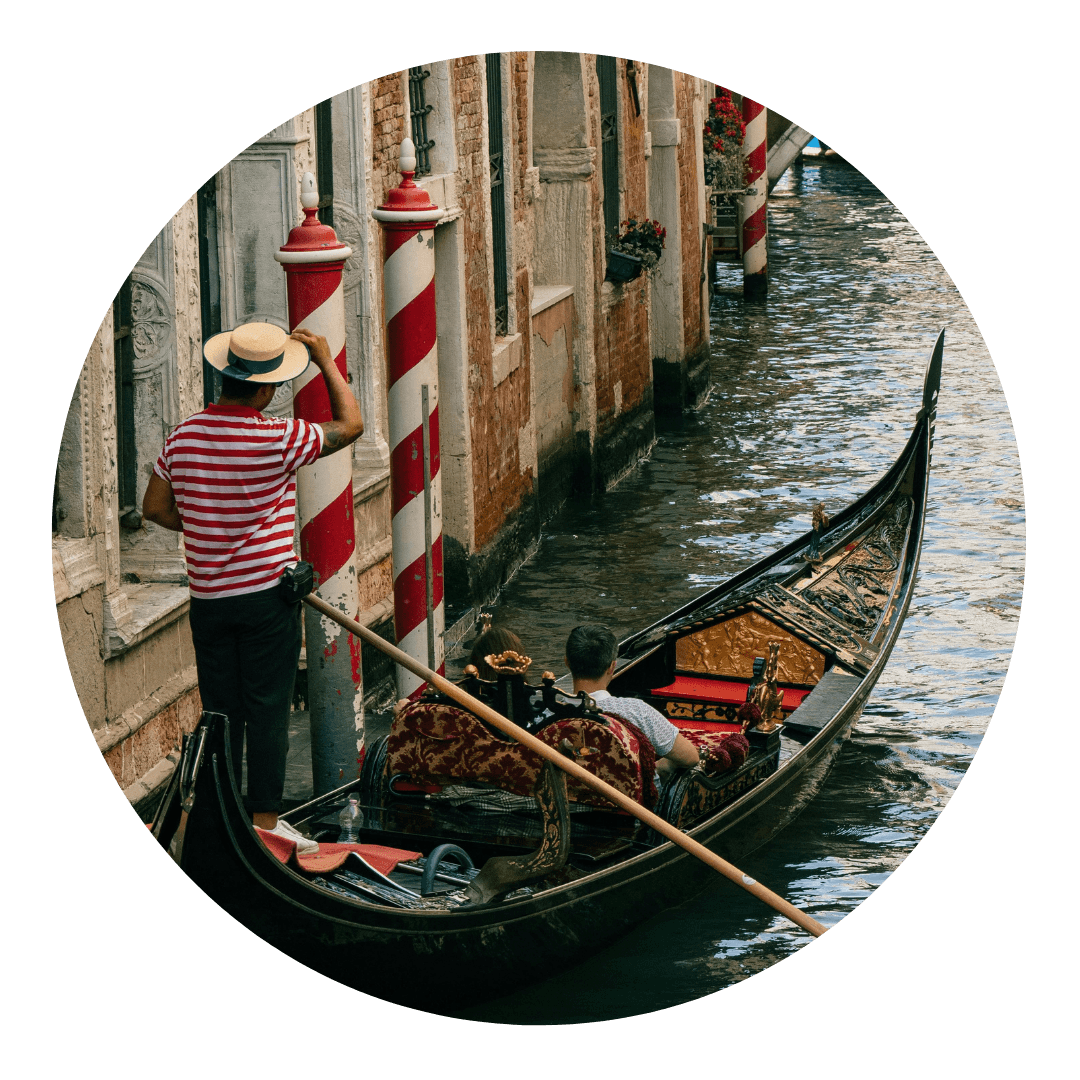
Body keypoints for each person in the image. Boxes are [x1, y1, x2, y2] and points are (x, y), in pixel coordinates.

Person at [142, 322, 363, 853]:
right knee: (267, 708)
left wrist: (204, 527)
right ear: (265, 389)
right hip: (267, 598)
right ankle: (264, 823)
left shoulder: (183, 435)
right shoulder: (277, 438)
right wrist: (325, 360)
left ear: (224, 377)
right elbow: (350, 424)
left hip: (209, 602)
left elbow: (154, 508)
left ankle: (218, 813)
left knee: (221, 709)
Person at [564, 624, 699, 780]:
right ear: (612, 667)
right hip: (631, 803)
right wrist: (660, 767)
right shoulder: (636, 712)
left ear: (567, 662)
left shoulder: (544, 714)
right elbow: (691, 758)